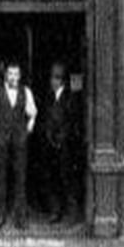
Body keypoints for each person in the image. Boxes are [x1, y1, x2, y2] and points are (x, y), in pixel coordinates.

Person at [0, 62, 37, 230]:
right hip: (1, 140)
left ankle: (20, 218)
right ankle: (0, 216)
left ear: (20, 76)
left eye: (16, 74)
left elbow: (33, 112)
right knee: (1, 177)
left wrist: (28, 129)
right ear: (6, 75)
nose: (13, 77)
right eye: (10, 74)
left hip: (19, 140)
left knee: (20, 178)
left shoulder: (25, 91)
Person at [41, 62, 76, 224]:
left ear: (63, 80)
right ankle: (55, 211)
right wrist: (48, 137)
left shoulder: (71, 96)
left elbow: (72, 121)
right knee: (51, 179)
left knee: (66, 179)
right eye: (52, 77)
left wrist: (62, 138)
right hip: (49, 146)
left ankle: (71, 213)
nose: (54, 81)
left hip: (65, 147)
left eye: (57, 78)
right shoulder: (47, 96)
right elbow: (45, 119)